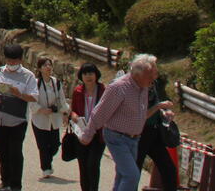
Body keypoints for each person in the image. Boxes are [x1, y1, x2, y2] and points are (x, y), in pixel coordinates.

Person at [80, 55, 171, 191]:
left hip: (134, 139)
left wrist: (159, 109)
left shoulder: (143, 87)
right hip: (117, 137)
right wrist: (88, 134)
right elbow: (100, 112)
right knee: (132, 175)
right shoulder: (119, 88)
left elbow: (141, 115)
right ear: (138, 75)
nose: (154, 79)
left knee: (122, 176)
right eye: (151, 75)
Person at [0, 43, 39, 191]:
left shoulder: (28, 76)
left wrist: (19, 94)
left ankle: (16, 185)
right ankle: (5, 181)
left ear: (20, 60)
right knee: (1, 153)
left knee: (15, 154)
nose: (11, 64)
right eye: (8, 60)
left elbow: (34, 97)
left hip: (17, 121)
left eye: (14, 61)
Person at [137, 75, 178, 191]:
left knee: (169, 169)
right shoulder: (135, 88)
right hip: (139, 133)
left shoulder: (156, 85)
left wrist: (166, 112)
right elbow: (142, 115)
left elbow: (163, 101)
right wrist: (159, 106)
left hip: (155, 132)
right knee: (134, 171)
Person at [70, 63, 106, 191]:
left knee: (93, 164)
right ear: (81, 76)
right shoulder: (78, 91)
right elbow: (73, 110)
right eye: (85, 74)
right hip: (82, 133)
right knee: (83, 166)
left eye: (91, 73)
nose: (88, 76)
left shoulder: (104, 91)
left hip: (98, 134)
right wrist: (74, 117)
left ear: (96, 75)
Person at [31, 56, 68, 179]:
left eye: (49, 65)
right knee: (43, 145)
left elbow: (62, 100)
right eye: (45, 65)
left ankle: (47, 160)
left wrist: (65, 113)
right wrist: (41, 110)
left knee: (55, 144)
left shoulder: (56, 82)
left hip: (54, 119)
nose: (48, 67)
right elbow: (31, 101)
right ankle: (46, 168)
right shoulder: (35, 83)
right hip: (39, 120)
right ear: (40, 69)